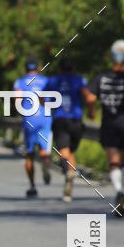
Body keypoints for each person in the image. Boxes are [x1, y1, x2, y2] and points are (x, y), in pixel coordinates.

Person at [85, 40, 124, 217]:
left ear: (111, 57)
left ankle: (119, 191)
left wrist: (92, 111)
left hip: (109, 123)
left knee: (114, 161)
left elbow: (90, 98)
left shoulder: (101, 76)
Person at [45, 58, 91, 202]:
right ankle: (69, 178)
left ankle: (68, 173)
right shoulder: (79, 80)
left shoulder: (53, 80)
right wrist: (91, 111)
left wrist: (49, 106)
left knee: (63, 153)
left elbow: (41, 97)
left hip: (60, 119)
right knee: (71, 152)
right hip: (76, 120)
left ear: (59, 69)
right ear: (73, 68)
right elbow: (88, 97)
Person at [13, 56, 53, 197]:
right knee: (44, 150)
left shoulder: (20, 82)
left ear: (26, 68)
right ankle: (45, 161)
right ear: (38, 67)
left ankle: (32, 186)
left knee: (29, 155)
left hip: (29, 120)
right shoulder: (46, 81)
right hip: (45, 119)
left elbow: (17, 100)